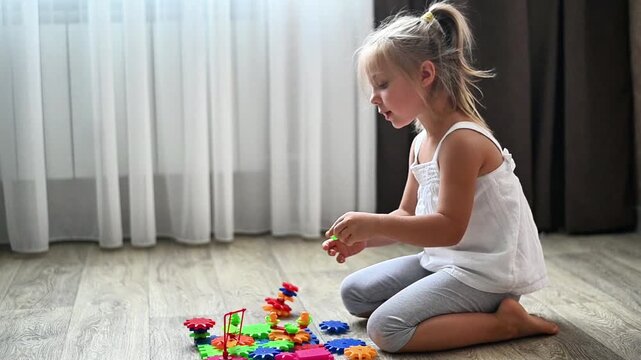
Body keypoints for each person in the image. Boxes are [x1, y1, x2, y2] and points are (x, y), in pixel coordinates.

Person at [322, 1, 559, 353]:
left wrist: (373, 223)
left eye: (383, 84)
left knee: (387, 329)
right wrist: (365, 238)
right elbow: (406, 214)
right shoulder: (421, 142)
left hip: (485, 272)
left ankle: (505, 321)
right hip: (445, 262)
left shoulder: (462, 141)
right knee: (355, 293)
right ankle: (450, 309)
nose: (374, 98)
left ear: (426, 74)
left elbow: (449, 228)